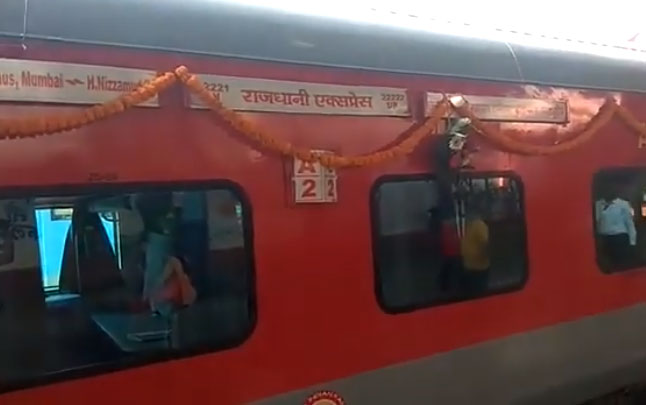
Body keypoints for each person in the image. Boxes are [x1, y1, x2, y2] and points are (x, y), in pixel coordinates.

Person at [595, 188, 636, 269]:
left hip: (619, 238)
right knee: (607, 263)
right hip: (605, 238)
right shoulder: (599, 204)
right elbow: (597, 222)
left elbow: (629, 224)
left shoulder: (623, 204)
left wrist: (632, 242)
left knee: (620, 263)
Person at [460, 200, 490, 296]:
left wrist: (480, 257)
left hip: (478, 269)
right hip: (470, 267)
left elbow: (485, 244)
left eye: (469, 211)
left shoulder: (479, 225)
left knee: (478, 294)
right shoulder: (470, 225)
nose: (467, 214)